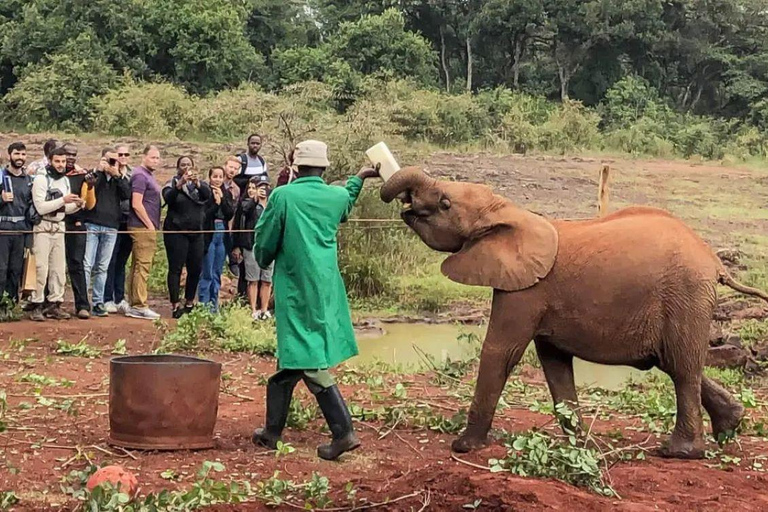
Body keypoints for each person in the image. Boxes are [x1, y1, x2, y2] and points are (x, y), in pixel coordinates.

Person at [251, 139, 380, 460]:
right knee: (290, 363)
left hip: (296, 283)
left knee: (307, 357)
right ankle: (271, 432)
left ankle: (343, 432)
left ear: (295, 167)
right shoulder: (334, 196)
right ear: (324, 168)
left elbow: (265, 242)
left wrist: (263, 256)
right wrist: (360, 177)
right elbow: (346, 199)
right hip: (326, 283)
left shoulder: (283, 196)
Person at [29, 146, 85, 321]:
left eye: (63, 161)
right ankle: (36, 303)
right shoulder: (41, 179)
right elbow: (41, 207)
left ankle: (55, 303)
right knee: (40, 268)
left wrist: (77, 204)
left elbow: (64, 208)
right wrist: (63, 200)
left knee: (58, 269)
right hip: (43, 227)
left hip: (59, 226)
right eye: (57, 161)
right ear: (50, 161)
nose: (61, 165)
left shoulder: (65, 181)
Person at [82, 148, 131, 317]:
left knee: (103, 267)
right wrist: (100, 170)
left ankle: (98, 302)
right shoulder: (96, 175)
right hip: (93, 224)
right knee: (87, 264)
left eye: (114, 161)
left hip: (111, 226)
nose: (112, 164)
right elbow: (91, 189)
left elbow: (127, 195)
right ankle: (83, 302)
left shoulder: (120, 178)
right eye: (109, 160)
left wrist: (116, 175)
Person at [162, 156, 211, 318]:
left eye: (189, 165)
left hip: (196, 232)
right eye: (183, 165)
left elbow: (207, 196)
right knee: (176, 268)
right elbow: (168, 198)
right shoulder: (171, 183)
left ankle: (189, 302)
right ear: (178, 168)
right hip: (176, 232)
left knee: (195, 268)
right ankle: (175, 304)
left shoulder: (200, 185)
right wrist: (180, 184)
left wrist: (197, 184)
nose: (186, 167)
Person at [126, 145, 162, 320]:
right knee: (143, 265)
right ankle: (139, 304)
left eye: (157, 158)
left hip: (143, 225)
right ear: (144, 156)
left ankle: (134, 302)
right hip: (141, 226)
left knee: (137, 265)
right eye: (153, 157)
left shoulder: (147, 175)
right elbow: (136, 203)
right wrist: (149, 224)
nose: (156, 160)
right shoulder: (140, 176)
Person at [232, 176, 273, 320]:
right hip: (251, 246)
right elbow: (244, 210)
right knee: (253, 279)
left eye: (264, 187)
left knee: (267, 279)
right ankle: (253, 309)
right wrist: (255, 199)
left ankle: (264, 309)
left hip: (269, 246)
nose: (261, 190)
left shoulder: (272, 203)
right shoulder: (248, 204)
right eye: (258, 187)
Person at [63, 143, 96, 319]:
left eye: (73, 155)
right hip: (55, 223)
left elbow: (89, 204)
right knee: (54, 266)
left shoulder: (82, 176)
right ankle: (51, 304)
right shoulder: (51, 174)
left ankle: (82, 305)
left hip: (76, 223)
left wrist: (90, 187)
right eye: (67, 154)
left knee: (77, 264)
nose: (70, 158)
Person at [0, 142, 33, 316]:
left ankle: (11, 306)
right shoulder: (1, 177)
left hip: (20, 230)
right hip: (3, 229)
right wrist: (1, 199)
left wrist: (29, 235)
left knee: (16, 269)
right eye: (17, 154)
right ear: (9, 155)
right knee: (1, 269)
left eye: (23, 154)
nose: (20, 158)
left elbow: (30, 209)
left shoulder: (28, 180)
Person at [198, 166, 235, 311]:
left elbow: (229, 214)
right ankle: (203, 305)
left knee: (217, 272)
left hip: (222, 233)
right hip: (209, 233)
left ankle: (214, 306)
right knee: (207, 271)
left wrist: (223, 201)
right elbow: (204, 215)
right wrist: (215, 203)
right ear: (210, 177)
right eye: (215, 176)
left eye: (220, 177)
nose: (218, 179)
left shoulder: (227, 193)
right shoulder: (204, 193)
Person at [104, 144, 134, 314]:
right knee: (110, 259)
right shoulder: (108, 171)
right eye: (119, 154)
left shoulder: (133, 173)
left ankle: (119, 297)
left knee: (122, 261)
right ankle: (107, 297)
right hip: (113, 219)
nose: (123, 157)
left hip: (128, 220)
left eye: (126, 154)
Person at [223, 156, 242, 278]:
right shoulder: (213, 181)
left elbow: (234, 211)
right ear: (225, 166)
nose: (232, 170)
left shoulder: (236, 189)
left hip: (227, 226)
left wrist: (230, 229)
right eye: (230, 167)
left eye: (235, 168)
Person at [234, 134, 267, 199]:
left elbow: (265, 180)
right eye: (253, 143)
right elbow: (233, 179)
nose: (255, 145)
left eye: (257, 144)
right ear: (248, 144)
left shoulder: (262, 161)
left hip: (257, 199)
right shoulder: (240, 160)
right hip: (241, 200)